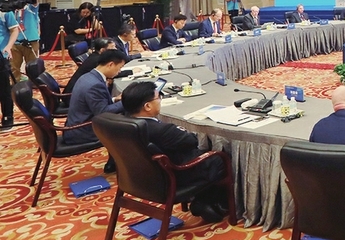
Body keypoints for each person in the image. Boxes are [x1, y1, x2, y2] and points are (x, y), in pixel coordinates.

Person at [120, 81, 229, 223]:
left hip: (139, 178)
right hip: (174, 176)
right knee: (220, 158)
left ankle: (203, 201)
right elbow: (191, 141)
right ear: (147, 106)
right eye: (158, 97)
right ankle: (208, 201)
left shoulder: (124, 124)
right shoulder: (161, 130)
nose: (160, 101)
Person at [63, 49, 128, 149]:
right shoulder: (95, 85)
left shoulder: (88, 76)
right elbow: (103, 113)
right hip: (83, 132)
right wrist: (128, 100)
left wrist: (115, 99)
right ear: (110, 64)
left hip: (78, 124)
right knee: (130, 130)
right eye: (120, 68)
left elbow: (96, 103)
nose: (119, 71)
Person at [8, 0, 39, 82]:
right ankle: (15, 84)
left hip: (30, 41)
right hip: (15, 41)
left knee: (32, 66)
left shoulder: (31, 8)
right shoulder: (12, 11)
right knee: (14, 67)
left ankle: (34, 84)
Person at [0, 7, 18, 131]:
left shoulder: (5, 10)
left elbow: (14, 30)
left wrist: (9, 46)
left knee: (4, 88)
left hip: (1, 54)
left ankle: (7, 116)